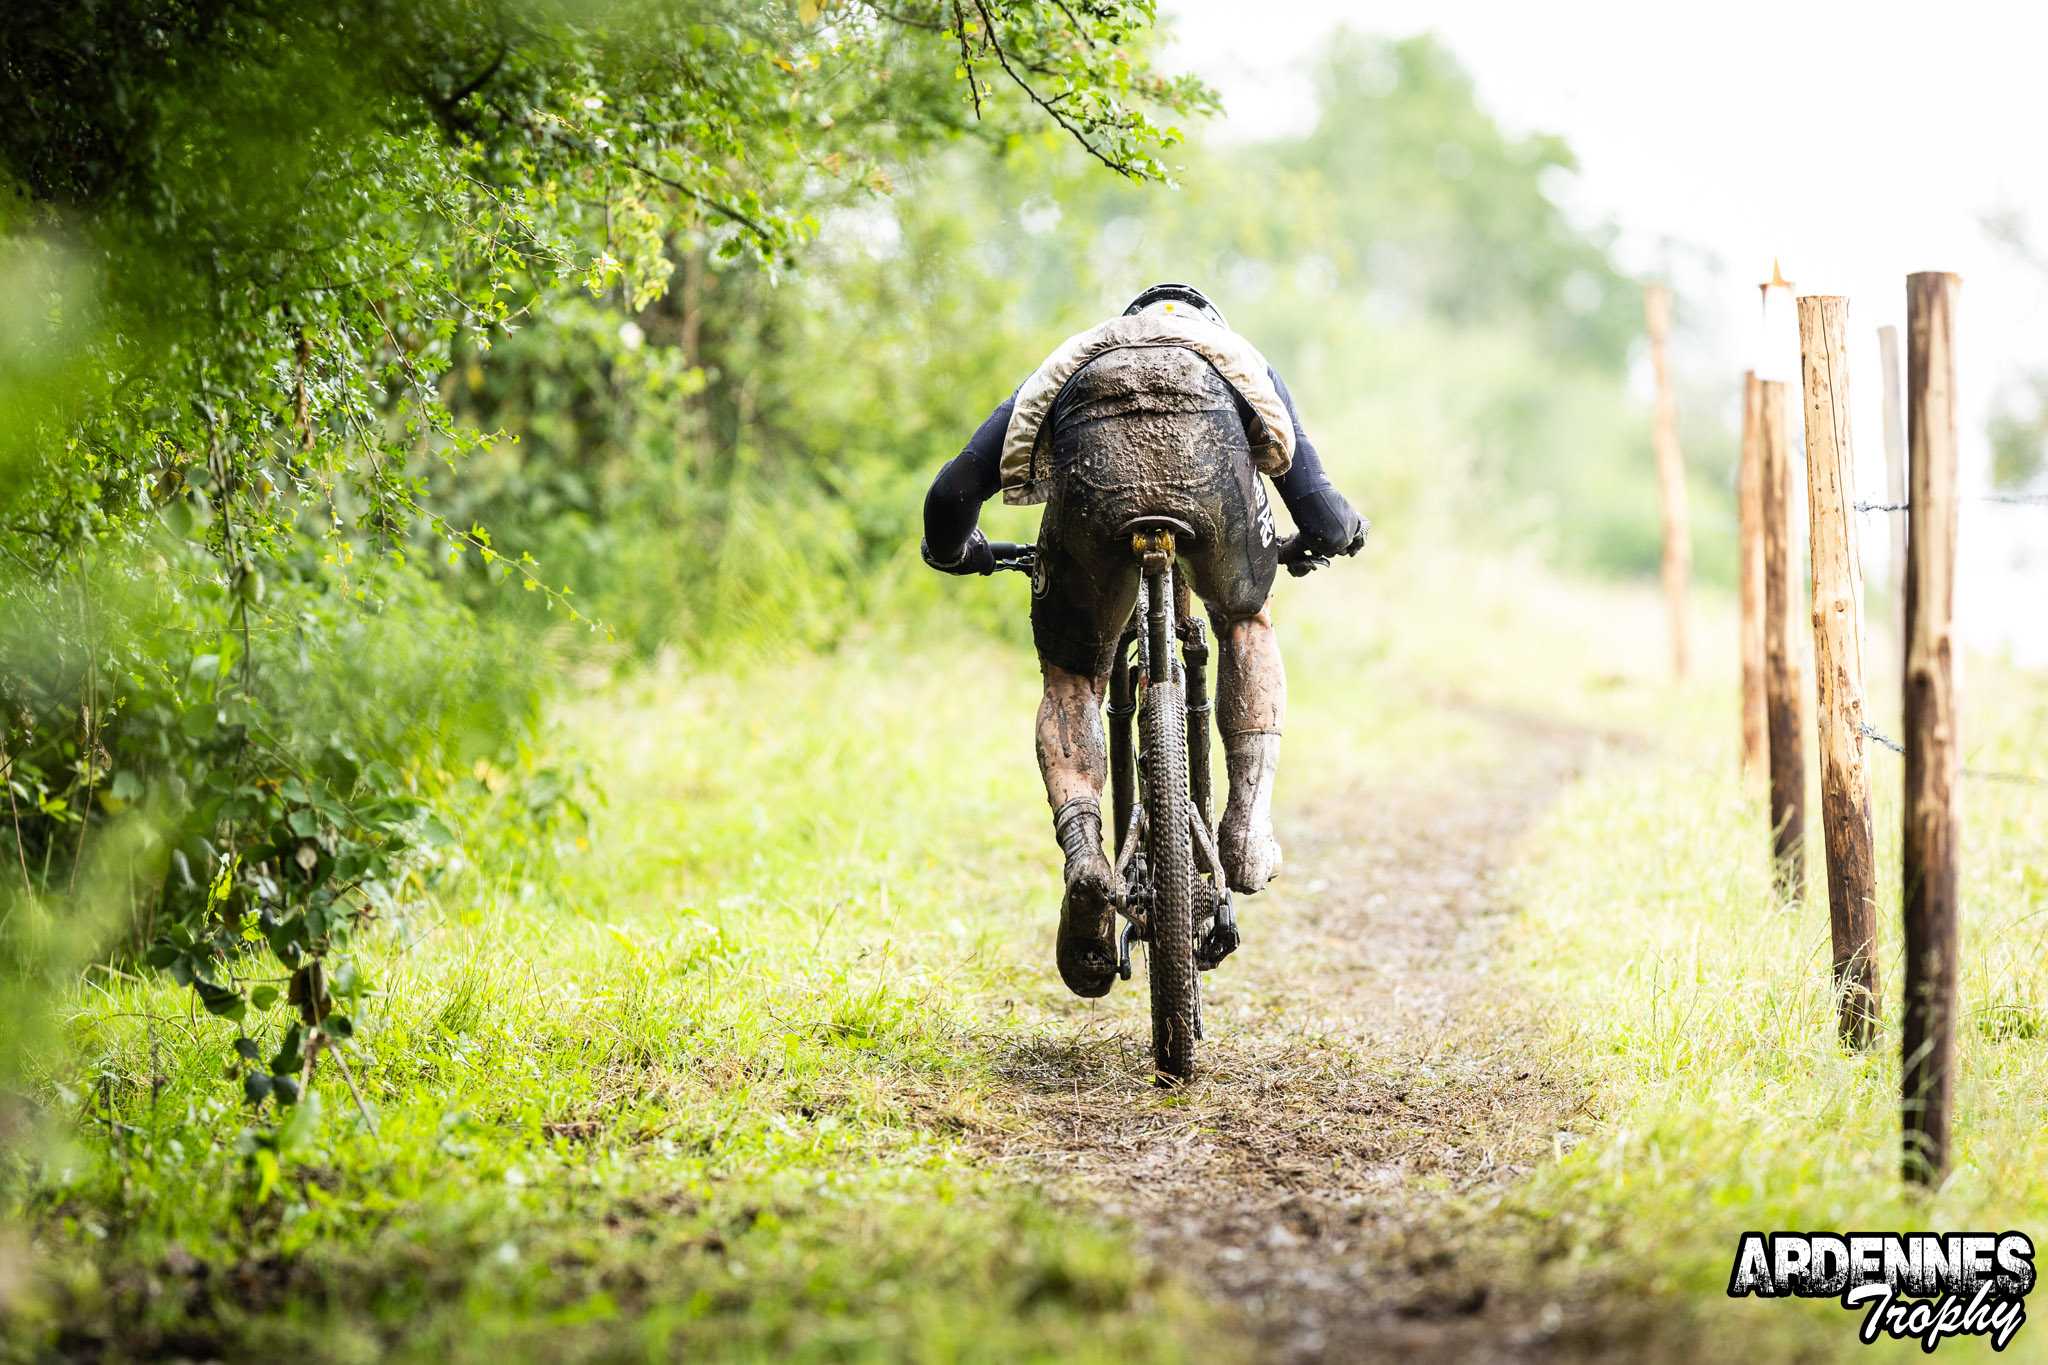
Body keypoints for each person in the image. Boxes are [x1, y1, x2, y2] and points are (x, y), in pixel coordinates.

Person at [920, 283, 1366, 997]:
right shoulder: (1234, 358)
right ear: (1209, 326)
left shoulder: (1077, 359)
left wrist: (956, 551)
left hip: (1095, 490)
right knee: (1245, 619)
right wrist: (1336, 536)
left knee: (1072, 678)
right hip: (1212, 488)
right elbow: (1320, 508)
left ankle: (1084, 855)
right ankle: (1247, 826)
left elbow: (950, 496)